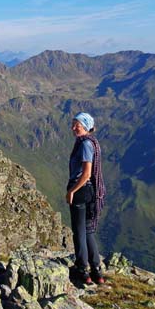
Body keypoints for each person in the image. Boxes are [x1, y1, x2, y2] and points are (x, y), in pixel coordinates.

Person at [66, 112, 106, 285]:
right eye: (73, 124)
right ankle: (96, 271)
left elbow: (87, 173)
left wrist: (72, 191)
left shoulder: (85, 145)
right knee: (88, 231)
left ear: (86, 126)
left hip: (81, 190)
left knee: (79, 232)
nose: (74, 128)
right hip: (90, 192)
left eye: (78, 125)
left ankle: (82, 270)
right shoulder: (91, 143)